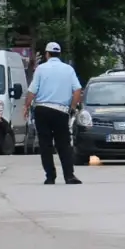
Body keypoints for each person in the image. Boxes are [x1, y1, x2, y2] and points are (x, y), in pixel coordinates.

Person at [23, 41, 83, 185]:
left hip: (42, 110)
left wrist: (26, 107)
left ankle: (50, 176)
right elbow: (77, 90)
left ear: (47, 54)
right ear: (59, 54)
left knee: (45, 144)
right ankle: (69, 176)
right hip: (61, 111)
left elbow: (32, 91)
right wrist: (73, 108)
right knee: (64, 144)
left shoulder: (41, 69)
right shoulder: (68, 69)